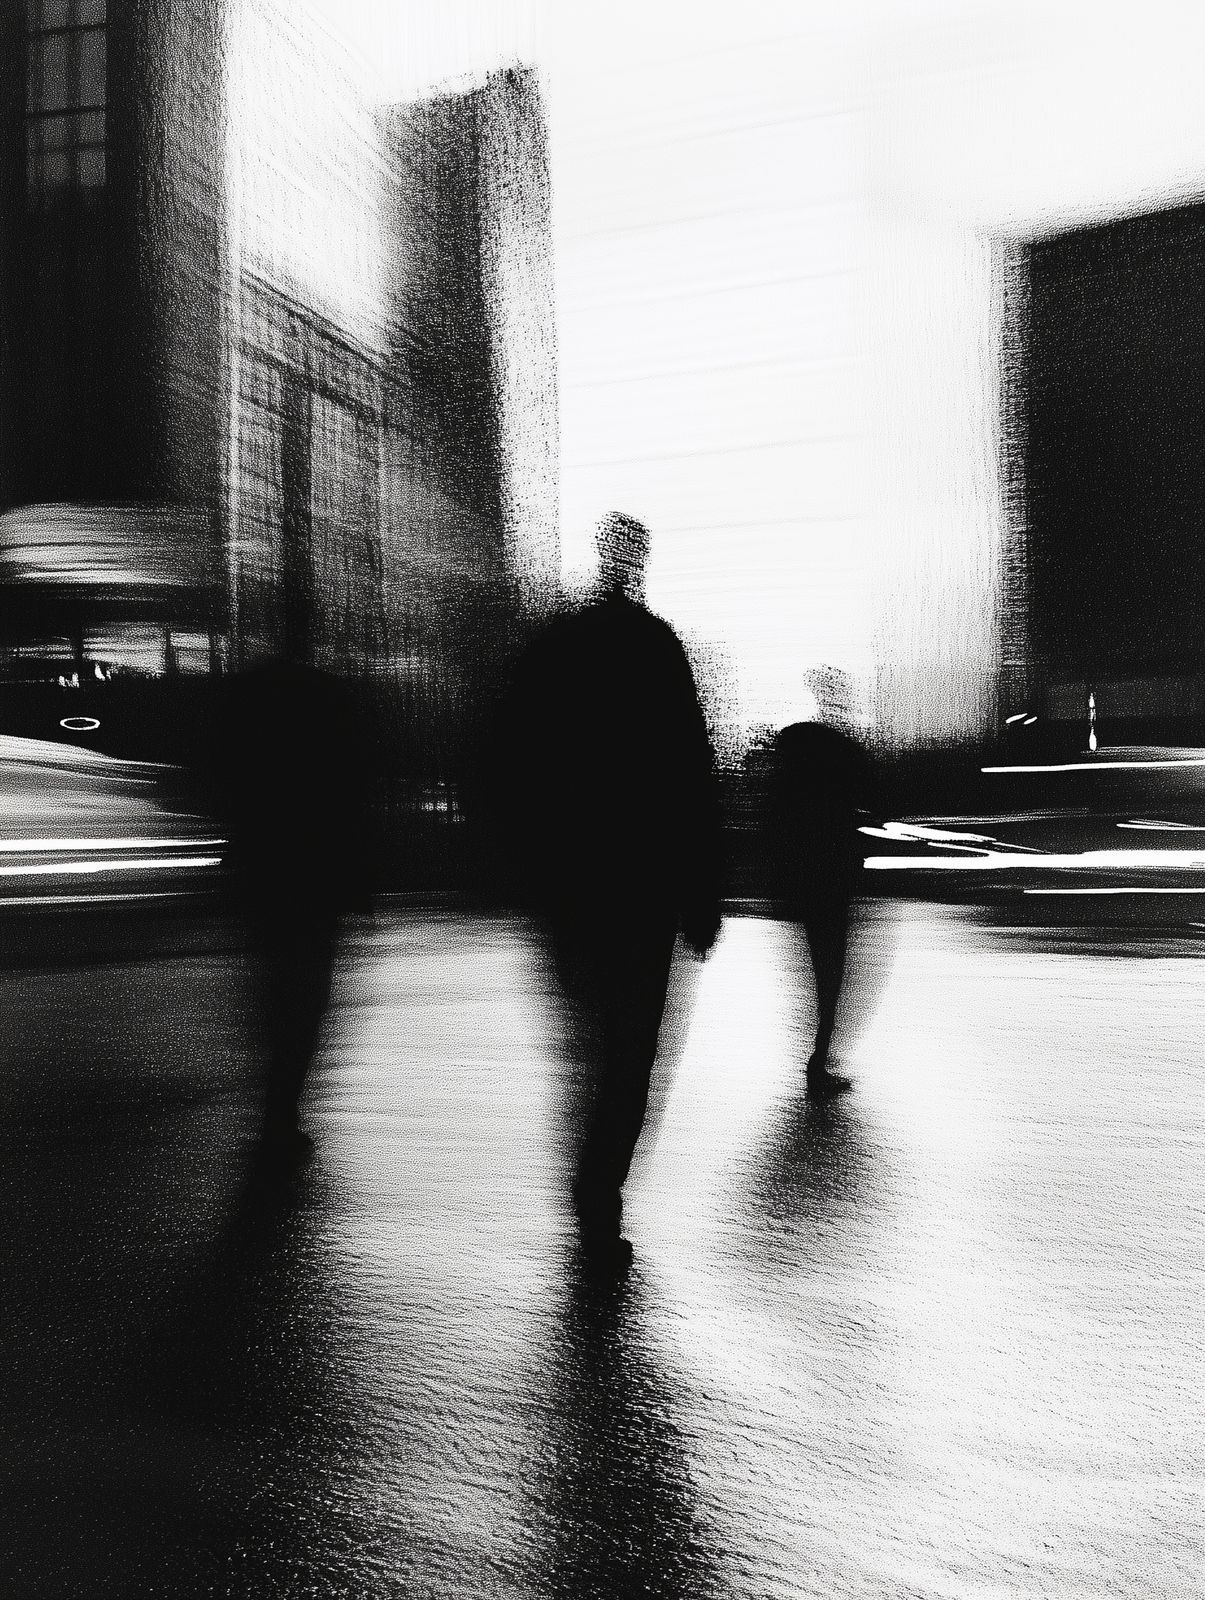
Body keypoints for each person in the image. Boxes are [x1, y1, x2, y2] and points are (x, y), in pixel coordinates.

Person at [494, 512, 723, 1256]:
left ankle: (589, 1181)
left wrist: (525, 864)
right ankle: (601, 1186)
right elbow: (690, 774)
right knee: (630, 1049)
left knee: (587, 1043)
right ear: (640, 561)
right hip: (644, 881)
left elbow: (516, 755)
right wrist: (703, 890)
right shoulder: (656, 649)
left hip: (574, 880)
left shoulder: (561, 645)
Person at [210, 656, 375, 1157]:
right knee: (305, 1002)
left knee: (279, 994)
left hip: (271, 880)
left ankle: (277, 1109)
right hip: (315, 883)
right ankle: (283, 1109)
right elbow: (351, 808)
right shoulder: (331, 751)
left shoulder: (258, 749)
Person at [765, 667, 873, 1098]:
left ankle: (818, 1058)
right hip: (833, 880)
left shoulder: (799, 759)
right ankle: (818, 1063)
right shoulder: (838, 754)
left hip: (809, 881)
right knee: (831, 977)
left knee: (821, 977)